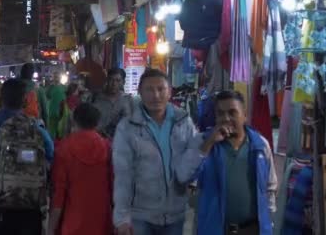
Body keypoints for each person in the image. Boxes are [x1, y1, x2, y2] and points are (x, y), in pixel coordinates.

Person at [112, 69, 205, 235]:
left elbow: (193, 160)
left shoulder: (183, 121)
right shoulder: (127, 127)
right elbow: (123, 175)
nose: (156, 95)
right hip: (141, 215)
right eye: (149, 89)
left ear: (169, 92)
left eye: (161, 89)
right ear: (140, 92)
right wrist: (122, 218)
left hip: (175, 214)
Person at [0, 78, 55, 235]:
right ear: (24, 102)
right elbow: (52, 162)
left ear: (0, 100)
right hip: (32, 209)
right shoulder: (39, 131)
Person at [196, 90, 277, 235]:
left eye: (232, 112)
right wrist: (209, 143)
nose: (226, 118)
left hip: (252, 229)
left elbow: (270, 186)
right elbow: (189, 178)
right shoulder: (203, 143)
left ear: (244, 115)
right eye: (220, 113)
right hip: (215, 229)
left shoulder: (260, 145)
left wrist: (268, 221)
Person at [48, 103, 112, 235]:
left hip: (72, 222)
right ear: (97, 123)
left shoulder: (64, 149)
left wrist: (50, 228)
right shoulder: (108, 148)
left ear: (74, 120)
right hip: (102, 221)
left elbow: (58, 194)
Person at [92, 68, 134, 138]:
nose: (114, 84)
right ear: (107, 81)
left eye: (118, 81)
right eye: (111, 80)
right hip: (98, 141)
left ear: (123, 82)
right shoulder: (95, 98)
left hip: (121, 142)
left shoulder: (128, 100)